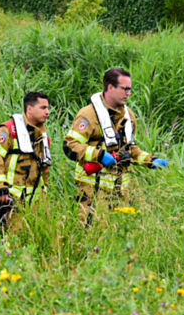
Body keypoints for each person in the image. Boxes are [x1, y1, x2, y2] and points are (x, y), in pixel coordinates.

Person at [64, 68, 168, 224]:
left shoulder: (129, 116)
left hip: (120, 191)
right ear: (110, 88)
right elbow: (70, 146)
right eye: (125, 89)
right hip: (93, 189)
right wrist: (98, 155)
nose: (128, 93)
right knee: (92, 235)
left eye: (130, 89)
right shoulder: (88, 114)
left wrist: (150, 160)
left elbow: (130, 148)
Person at [0, 91, 53, 232]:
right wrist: (0, 188)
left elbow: (44, 169)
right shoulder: (8, 130)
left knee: (36, 240)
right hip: (10, 199)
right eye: (43, 108)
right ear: (30, 109)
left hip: (36, 203)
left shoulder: (43, 136)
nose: (47, 112)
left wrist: (45, 193)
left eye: (48, 108)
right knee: (12, 241)